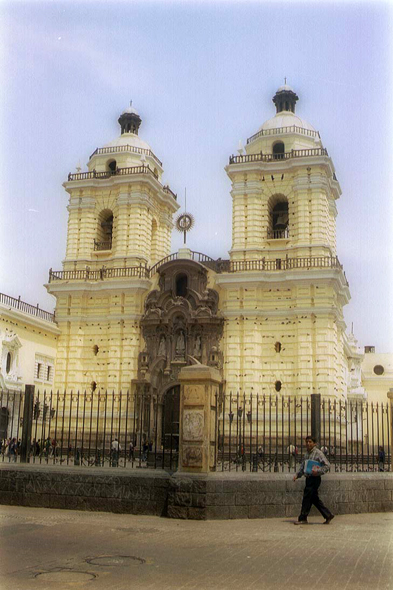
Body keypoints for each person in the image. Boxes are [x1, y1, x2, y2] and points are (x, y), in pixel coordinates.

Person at [293, 435, 334, 525]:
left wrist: (318, 471)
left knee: (307, 498)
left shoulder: (318, 453)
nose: (308, 443)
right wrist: (297, 475)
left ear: (314, 443)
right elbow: (303, 467)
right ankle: (328, 515)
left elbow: (327, 465)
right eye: (307, 442)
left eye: (310, 442)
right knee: (314, 498)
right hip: (308, 478)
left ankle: (303, 518)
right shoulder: (307, 454)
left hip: (315, 478)